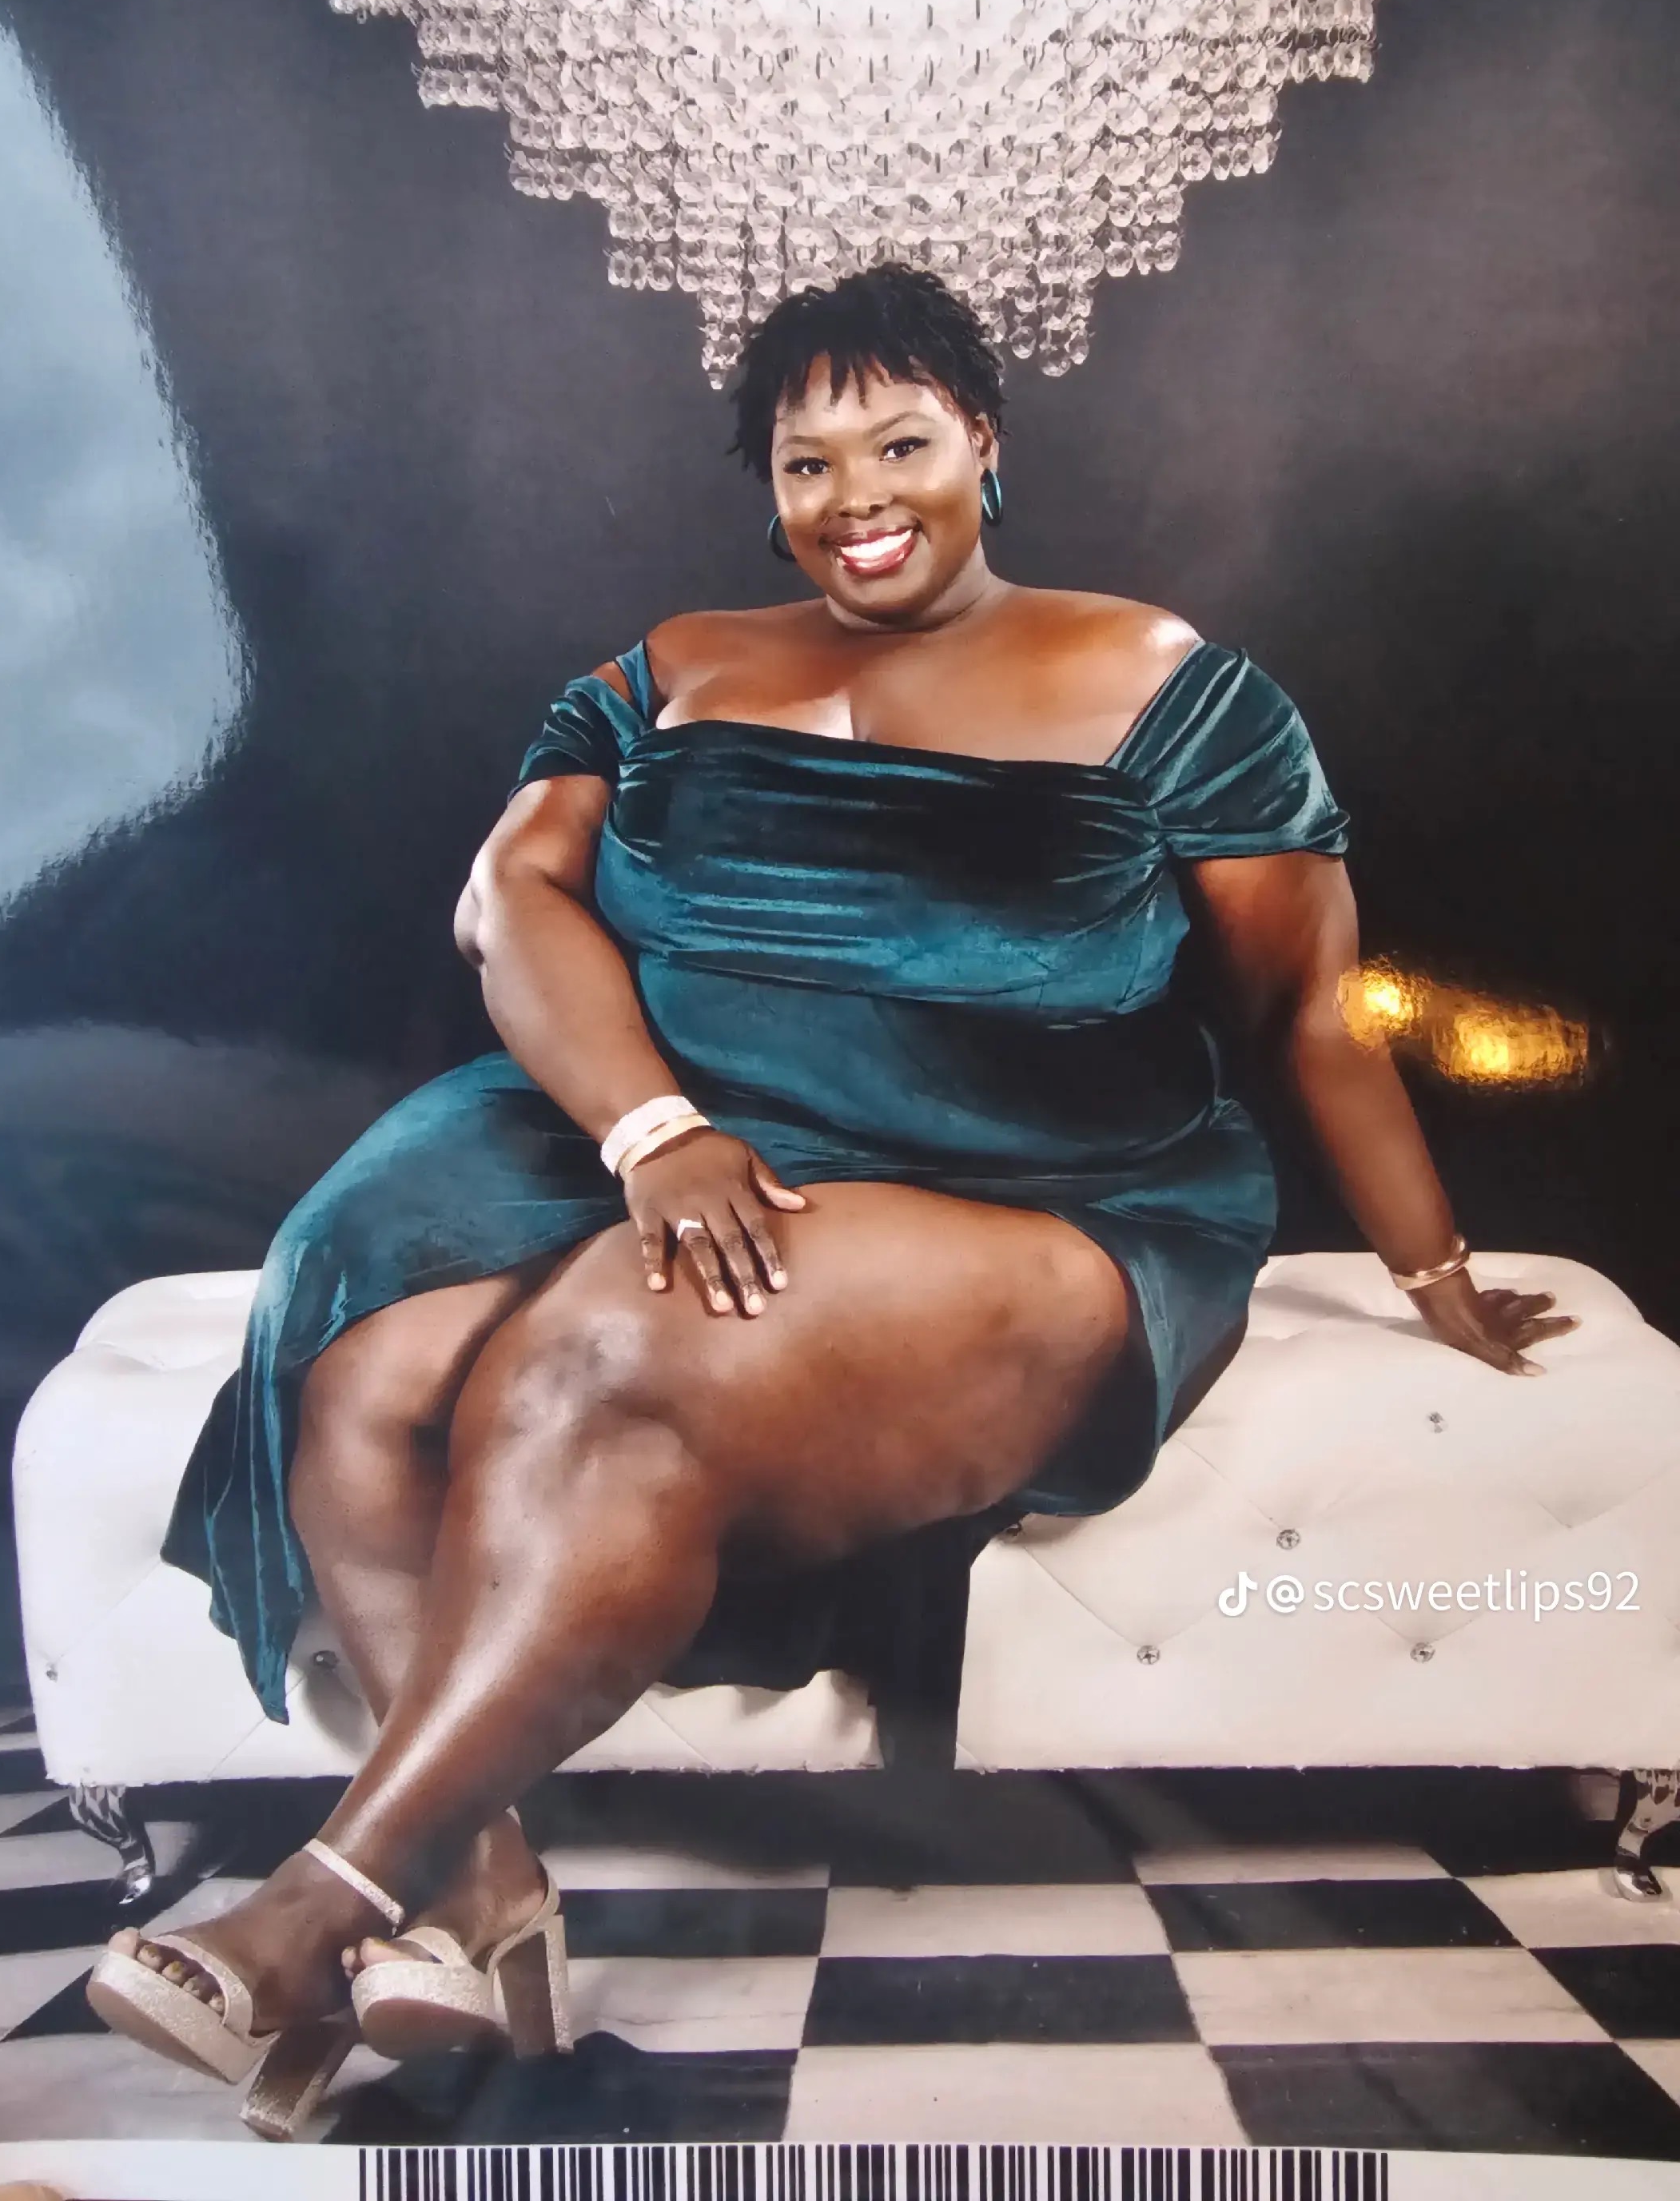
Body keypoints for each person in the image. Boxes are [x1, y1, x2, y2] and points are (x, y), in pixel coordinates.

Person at [86, 264, 1575, 2135]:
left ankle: (319, 1908)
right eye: (809, 462)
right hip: (684, 1128)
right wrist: (652, 1129)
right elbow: (507, 902)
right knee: (369, 1369)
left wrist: (1434, 1268)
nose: (858, 497)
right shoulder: (672, 668)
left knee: (602, 1353)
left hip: (1038, 1177)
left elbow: (1312, 1011)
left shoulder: (1173, 688)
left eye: (901, 445)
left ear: (984, 445)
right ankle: (482, 1891)